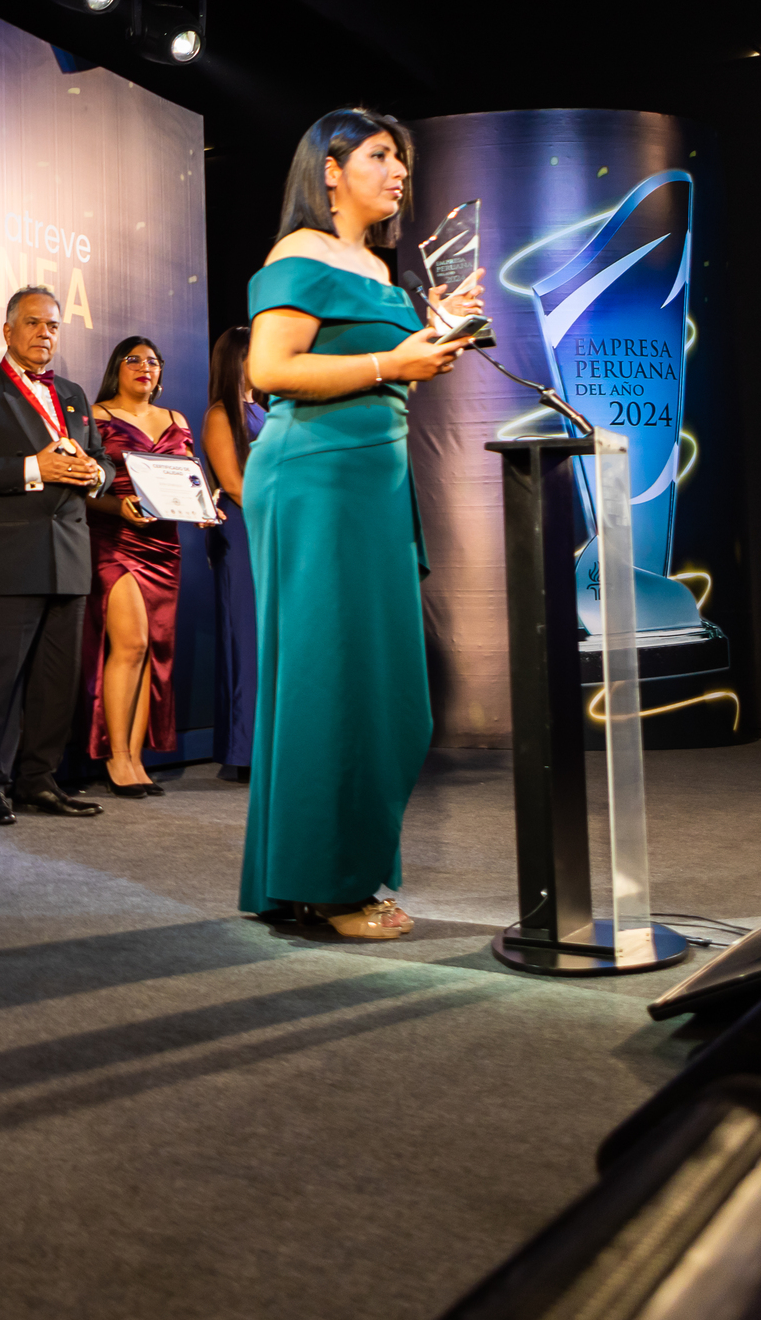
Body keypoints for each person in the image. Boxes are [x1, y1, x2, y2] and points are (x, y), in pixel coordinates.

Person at [240, 107, 482, 941]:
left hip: (374, 481)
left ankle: (327, 869)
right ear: (330, 169)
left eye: (401, 158)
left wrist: (435, 333)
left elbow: (388, 377)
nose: (399, 171)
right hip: (315, 478)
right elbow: (271, 369)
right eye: (380, 155)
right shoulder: (299, 253)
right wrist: (394, 358)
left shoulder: (380, 268)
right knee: (328, 678)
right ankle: (326, 885)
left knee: (379, 688)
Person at [0, 287, 114, 825]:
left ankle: (39, 780)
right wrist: (35, 467)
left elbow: (101, 461)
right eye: (34, 323)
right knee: (2, 679)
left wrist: (96, 474)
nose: (44, 333)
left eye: (53, 325)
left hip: (70, 553)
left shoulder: (74, 395)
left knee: (56, 680)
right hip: (12, 554)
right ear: (9, 331)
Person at [80, 335, 201, 798]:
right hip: (114, 539)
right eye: (133, 359)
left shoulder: (177, 420)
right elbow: (84, 486)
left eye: (153, 361)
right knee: (128, 644)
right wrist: (118, 507)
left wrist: (203, 507)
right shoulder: (96, 415)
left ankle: (134, 758)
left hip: (164, 545)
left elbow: (188, 479)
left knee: (150, 649)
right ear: (117, 367)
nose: (144, 367)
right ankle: (115, 757)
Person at [200, 326, 266, 785]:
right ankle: (244, 749)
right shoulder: (222, 414)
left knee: (270, 640)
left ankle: (271, 745)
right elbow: (235, 485)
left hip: (272, 529)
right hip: (244, 530)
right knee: (246, 639)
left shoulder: (263, 409)